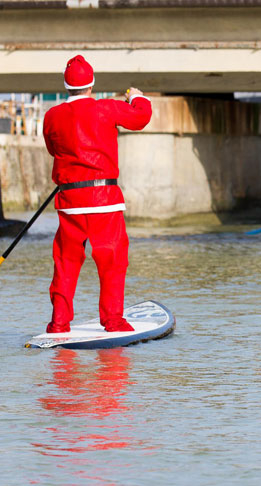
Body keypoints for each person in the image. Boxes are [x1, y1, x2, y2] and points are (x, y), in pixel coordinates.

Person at [43, 55, 152, 334]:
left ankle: (59, 324)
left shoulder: (51, 116)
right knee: (112, 260)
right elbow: (141, 118)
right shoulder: (106, 109)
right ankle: (113, 322)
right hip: (104, 199)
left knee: (66, 262)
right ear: (91, 85)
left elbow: (53, 150)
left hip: (70, 201)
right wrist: (138, 98)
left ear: (66, 86)